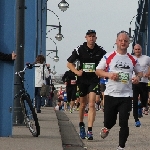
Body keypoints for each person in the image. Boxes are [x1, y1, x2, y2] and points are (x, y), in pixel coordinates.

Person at [95, 31, 143, 150]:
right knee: (109, 122)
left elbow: (140, 72)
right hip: (111, 94)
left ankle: (121, 147)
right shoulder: (109, 56)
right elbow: (98, 71)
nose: (123, 42)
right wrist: (109, 75)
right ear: (116, 42)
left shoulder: (132, 59)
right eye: (120, 40)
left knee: (124, 122)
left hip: (126, 95)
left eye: (125, 41)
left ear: (128, 43)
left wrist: (137, 78)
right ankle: (106, 128)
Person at [67, 29, 106, 140]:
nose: (91, 38)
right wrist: (76, 72)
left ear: (96, 38)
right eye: (89, 36)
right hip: (82, 79)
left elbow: (108, 63)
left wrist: (102, 73)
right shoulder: (79, 49)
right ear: (86, 37)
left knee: (92, 104)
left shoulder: (101, 51)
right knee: (83, 104)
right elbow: (69, 64)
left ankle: (90, 130)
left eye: (93, 36)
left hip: (93, 79)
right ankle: (81, 124)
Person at [132, 44, 150, 127]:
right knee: (135, 100)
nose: (137, 51)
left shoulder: (146, 58)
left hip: (144, 81)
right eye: (136, 49)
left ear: (141, 49)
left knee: (144, 100)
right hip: (134, 82)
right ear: (133, 50)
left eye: (139, 49)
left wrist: (148, 73)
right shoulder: (131, 58)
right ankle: (136, 120)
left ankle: (141, 106)